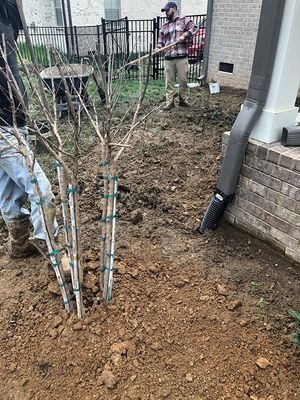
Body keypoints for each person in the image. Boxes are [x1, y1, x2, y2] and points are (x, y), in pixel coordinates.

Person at [0, 0, 59, 259]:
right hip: (4, 127)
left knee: (9, 189)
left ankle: (20, 244)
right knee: (41, 190)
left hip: (14, 122)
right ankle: (50, 246)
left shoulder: (7, 20)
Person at [155, 2, 198, 110]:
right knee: (169, 82)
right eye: (164, 11)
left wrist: (184, 35)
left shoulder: (184, 20)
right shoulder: (164, 26)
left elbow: (195, 28)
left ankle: (182, 100)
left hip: (181, 56)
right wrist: (157, 48)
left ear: (174, 9)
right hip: (169, 58)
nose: (165, 13)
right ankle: (169, 102)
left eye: (167, 10)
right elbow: (160, 41)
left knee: (183, 81)